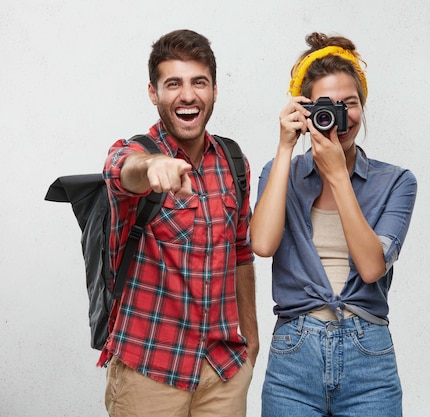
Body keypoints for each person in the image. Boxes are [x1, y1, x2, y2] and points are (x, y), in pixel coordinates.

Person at [251, 32, 417, 417]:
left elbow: (373, 266)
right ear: (305, 110)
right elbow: (262, 244)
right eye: (327, 106)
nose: (340, 117)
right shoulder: (279, 173)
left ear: (363, 106)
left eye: (350, 104)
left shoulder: (397, 181)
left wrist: (340, 178)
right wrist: (284, 147)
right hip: (293, 355)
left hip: (368, 358)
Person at [100, 29, 258, 417]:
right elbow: (121, 169)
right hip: (149, 370)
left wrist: (250, 342)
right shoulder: (136, 152)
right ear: (154, 93)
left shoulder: (233, 162)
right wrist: (155, 166)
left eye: (198, 82)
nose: (187, 95)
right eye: (174, 84)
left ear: (214, 91)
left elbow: (241, 253)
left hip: (222, 372)